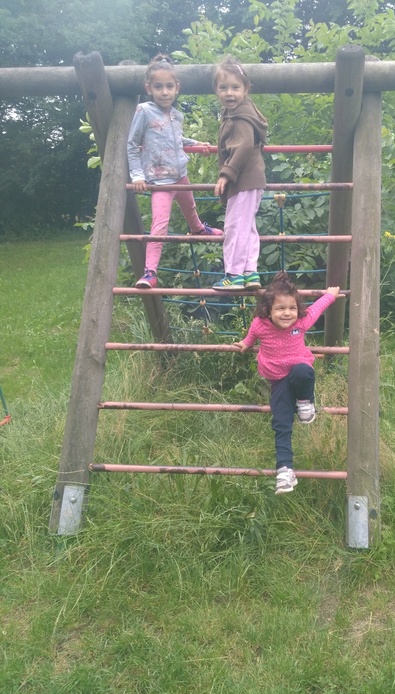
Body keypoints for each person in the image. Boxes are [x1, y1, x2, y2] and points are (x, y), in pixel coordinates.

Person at [234, 272, 340, 494]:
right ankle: (284, 471)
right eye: (280, 308)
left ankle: (305, 402)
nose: (287, 313)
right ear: (268, 310)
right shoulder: (260, 324)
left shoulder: (301, 321)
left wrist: (330, 295)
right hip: (278, 380)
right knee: (281, 422)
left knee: (304, 371)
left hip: (298, 371)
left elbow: (316, 309)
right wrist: (245, 343)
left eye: (292, 308)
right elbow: (251, 336)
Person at [127, 54, 222, 289]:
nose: (164, 92)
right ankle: (150, 272)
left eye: (169, 86)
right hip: (160, 182)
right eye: (158, 87)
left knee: (190, 207)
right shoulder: (144, 111)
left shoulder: (176, 115)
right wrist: (137, 176)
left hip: (180, 175)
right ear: (148, 88)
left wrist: (196, 144)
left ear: (177, 88)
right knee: (160, 225)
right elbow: (132, 144)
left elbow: (177, 140)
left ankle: (198, 229)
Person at [212, 58, 268, 292]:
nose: (229, 93)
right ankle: (249, 271)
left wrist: (226, 174)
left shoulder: (240, 118)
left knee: (234, 226)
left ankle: (234, 274)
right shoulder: (239, 113)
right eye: (223, 87)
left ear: (245, 89)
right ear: (216, 90)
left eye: (235, 87)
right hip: (252, 179)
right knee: (247, 226)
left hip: (243, 179)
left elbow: (243, 146)